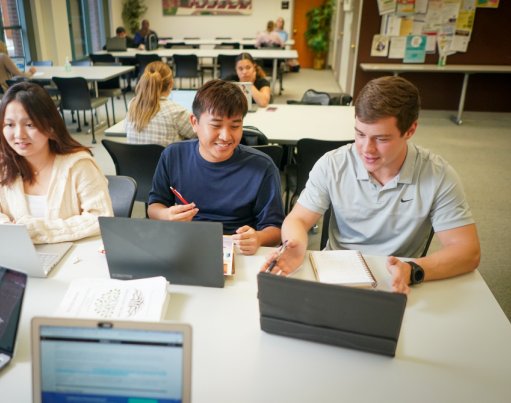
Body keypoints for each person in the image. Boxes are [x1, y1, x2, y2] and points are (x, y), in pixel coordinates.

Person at [261, 76, 481, 294]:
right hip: (336, 275)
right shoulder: (333, 164)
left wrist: (412, 270)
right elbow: (297, 219)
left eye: (381, 139)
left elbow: (466, 251)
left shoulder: (438, 175)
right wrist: (297, 245)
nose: (366, 149)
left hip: (397, 279)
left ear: (410, 130)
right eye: (359, 134)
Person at [0, 82, 114, 243]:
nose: (19, 134)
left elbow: (101, 218)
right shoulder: (1, 165)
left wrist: (41, 230)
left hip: (71, 259)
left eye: (29, 124)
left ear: (50, 125)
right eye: (10, 125)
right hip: (17, 257)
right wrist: (5, 226)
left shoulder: (79, 165)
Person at [147, 80, 284, 256]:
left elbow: (275, 229)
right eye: (216, 125)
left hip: (236, 251)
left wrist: (257, 237)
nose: (226, 136)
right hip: (186, 246)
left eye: (235, 126)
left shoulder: (262, 167)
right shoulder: (173, 155)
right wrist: (167, 215)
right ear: (194, 122)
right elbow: (154, 206)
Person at [126, 61, 196, 147]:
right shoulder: (177, 112)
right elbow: (201, 134)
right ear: (171, 84)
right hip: (167, 160)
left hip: (135, 160)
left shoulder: (133, 105)